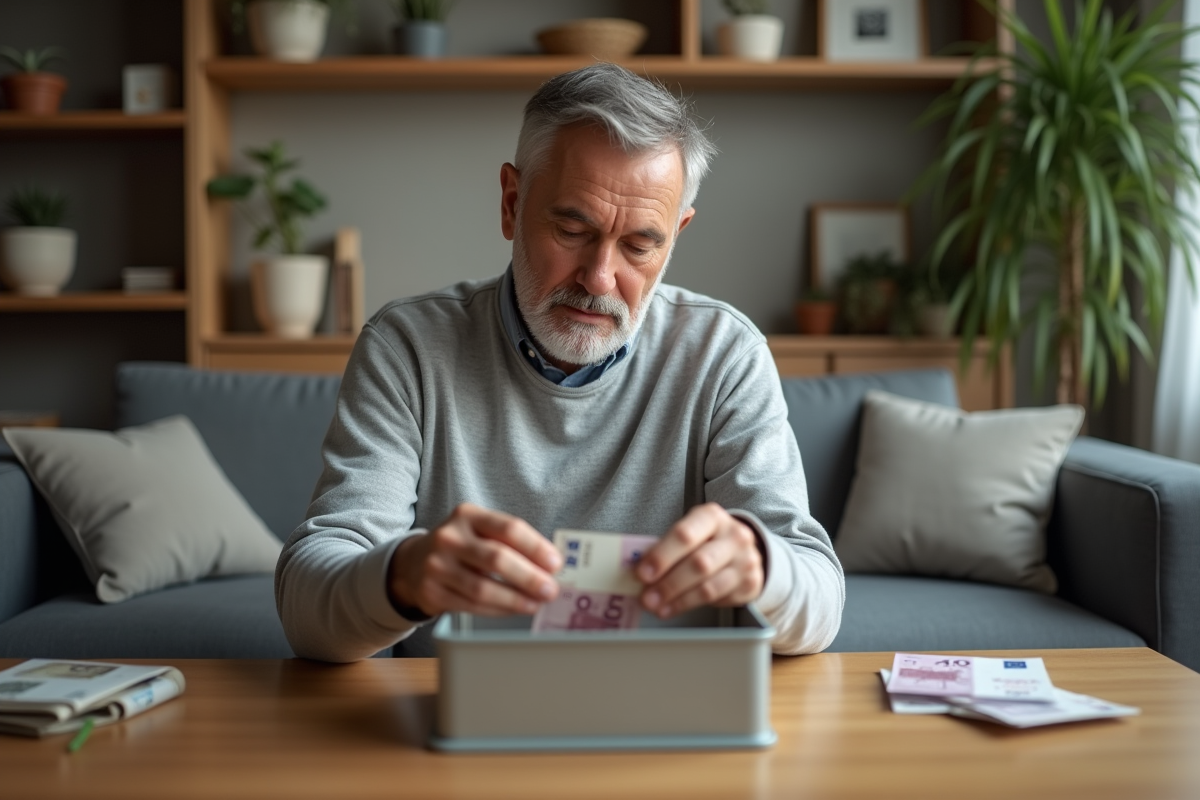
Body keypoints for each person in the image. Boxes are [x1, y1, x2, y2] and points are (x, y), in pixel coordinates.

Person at [276, 63, 844, 662]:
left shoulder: (725, 356)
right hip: (447, 729)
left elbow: (820, 600)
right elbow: (305, 604)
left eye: (639, 245)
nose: (600, 278)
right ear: (512, 203)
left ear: (676, 236)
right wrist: (401, 575)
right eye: (572, 229)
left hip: (668, 725)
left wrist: (761, 568)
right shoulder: (407, 348)